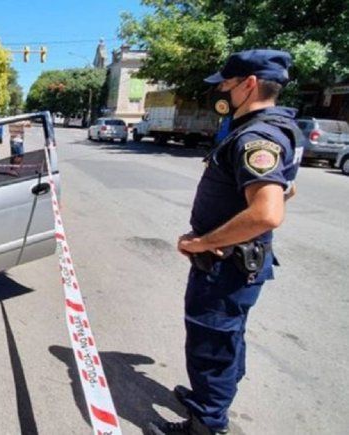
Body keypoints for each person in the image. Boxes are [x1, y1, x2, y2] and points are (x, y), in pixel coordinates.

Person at [149, 50, 304, 435]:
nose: (220, 89)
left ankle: (207, 423)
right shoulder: (276, 127)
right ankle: (211, 399)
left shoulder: (257, 136)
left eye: (226, 83)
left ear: (248, 84)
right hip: (238, 262)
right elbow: (287, 190)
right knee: (226, 337)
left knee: (211, 345)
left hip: (224, 265)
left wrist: (203, 242)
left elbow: (268, 212)